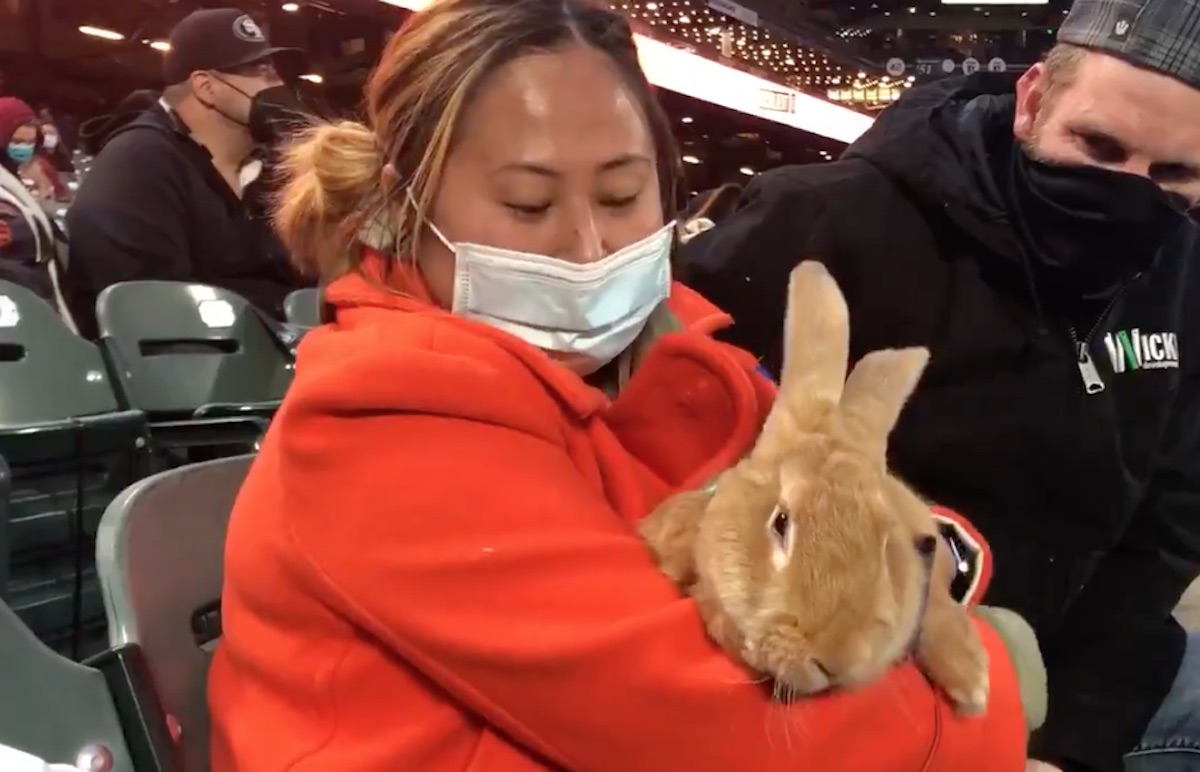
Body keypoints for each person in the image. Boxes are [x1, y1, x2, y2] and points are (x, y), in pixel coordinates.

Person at [208, 1, 1045, 770]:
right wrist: (982, 698)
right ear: (404, 208)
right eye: (529, 206)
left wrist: (922, 558)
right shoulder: (378, 424)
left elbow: (860, 503)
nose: (586, 248)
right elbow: (708, 730)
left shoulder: (679, 352)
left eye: (621, 194)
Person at [678, 1, 1200, 770]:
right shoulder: (818, 221)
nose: (1125, 191)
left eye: (1173, 173)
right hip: (836, 667)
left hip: (1061, 665)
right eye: (1098, 145)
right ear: (1031, 99)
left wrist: (1071, 742)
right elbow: (674, 455)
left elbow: (1165, 525)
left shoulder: (1182, 270)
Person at [63, 7, 311, 338]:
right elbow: (154, 313)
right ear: (206, 87)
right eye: (261, 70)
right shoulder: (138, 166)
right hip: (176, 373)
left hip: (273, 363)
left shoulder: (273, 170)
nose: (278, 84)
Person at [0, 96, 65, 306]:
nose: (23, 149)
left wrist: (43, 187)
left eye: (29, 143)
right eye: (17, 141)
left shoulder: (20, 174)